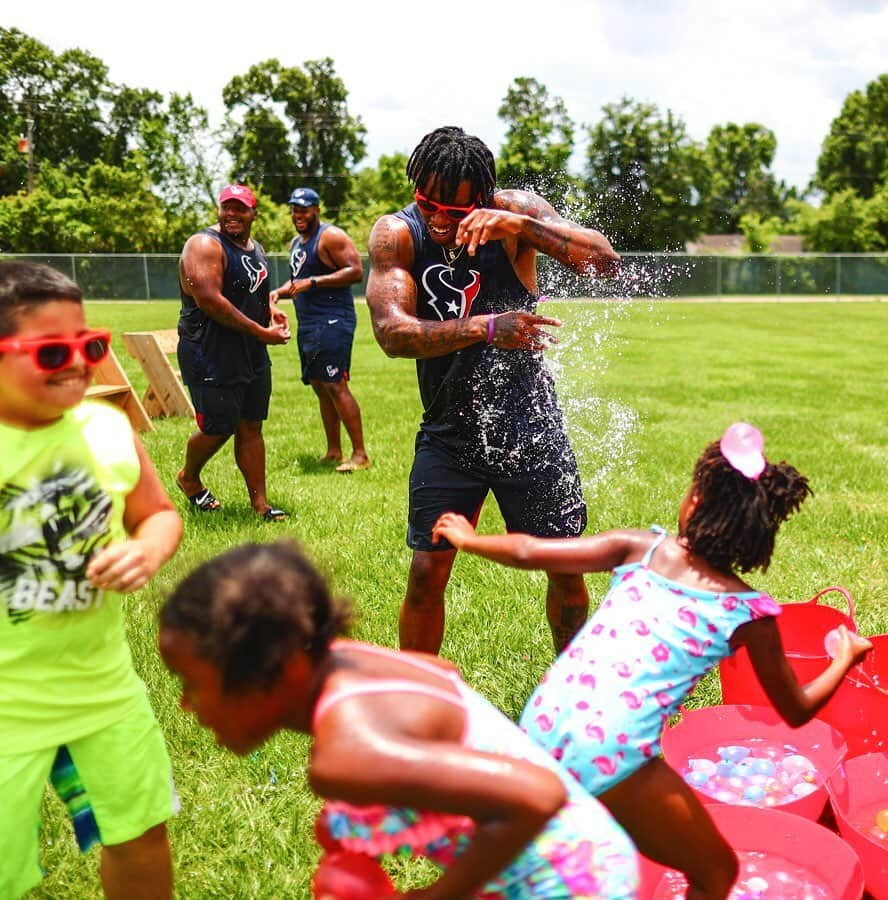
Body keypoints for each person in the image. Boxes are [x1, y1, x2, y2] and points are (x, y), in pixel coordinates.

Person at [433, 422, 874, 899]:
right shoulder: (748, 613)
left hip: (542, 721)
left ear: (695, 503)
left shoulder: (642, 548)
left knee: (548, 857)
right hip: (608, 748)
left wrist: (469, 539)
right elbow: (796, 710)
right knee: (717, 873)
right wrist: (843, 657)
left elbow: (530, 550)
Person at [159, 539, 639, 899]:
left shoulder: (344, 755)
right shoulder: (351, 658)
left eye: (193, 683)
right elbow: (442, 677)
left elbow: (538, 795)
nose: (186, 704)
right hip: (594, 853)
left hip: (572, 887)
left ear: (277, 666)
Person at [366, 125, 621, 656]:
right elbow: (392, 333)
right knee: (425, 573)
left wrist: (522, 224)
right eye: (427, 203)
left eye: (455, 212)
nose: (439, 220)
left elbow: (605, 263)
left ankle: (574, 693)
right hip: (448, 434)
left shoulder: (514, 218)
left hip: (529, 425)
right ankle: (420, 700)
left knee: (565, 569)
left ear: (482, 201)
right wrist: (486, 327)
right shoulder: (398, 235)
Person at [0, 261, 184, 899]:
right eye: (52, 351)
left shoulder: (108, 428)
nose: (78, 364)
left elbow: (158, 514)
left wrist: (147, 552)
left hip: (101, 690)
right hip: (5, 710)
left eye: (90, 346)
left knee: (139, 834)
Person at [176, 184, 291, 521]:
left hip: (249, 351)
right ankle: (189, 478)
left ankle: (261, 504)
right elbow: (211, 300)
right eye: (227, 207)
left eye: (240, 208)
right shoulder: (204, 245)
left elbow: (252, 293)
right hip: (210, 351)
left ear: (254, 213)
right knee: (218, 427)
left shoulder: (255, 248)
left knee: (251, 424)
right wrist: (262, 333)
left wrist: (270, 312)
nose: (232, 215)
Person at [270, 187, 371, 473]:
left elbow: (355, 271)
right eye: (294, 209)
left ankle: (360, 455)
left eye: (303, 209)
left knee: (336, 384)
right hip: (309, 323)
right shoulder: (296, 243)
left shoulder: (330, 236)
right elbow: (298, 283)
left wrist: (313, 283)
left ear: (316, 209)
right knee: (319, 386)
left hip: (333, 320)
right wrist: (278, 293)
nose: (298, 215)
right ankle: (334, 451)